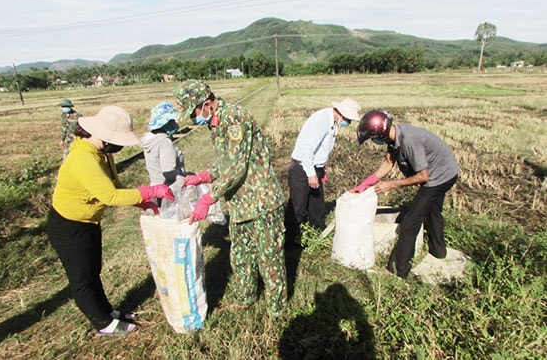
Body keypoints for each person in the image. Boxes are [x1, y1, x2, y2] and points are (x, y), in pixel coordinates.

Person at [46, 105, 175, 336]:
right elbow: (110, 197)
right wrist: (148, 191)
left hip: (88, 223)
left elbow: (115, 186)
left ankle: (108, 312)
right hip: (69, 226)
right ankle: (102, 323)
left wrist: (141, 201)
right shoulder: (83, 158)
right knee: (83, 279)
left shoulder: (102, 154)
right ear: (101, 134)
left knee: (93, 271)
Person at [173, 79, 287, 318]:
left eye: (193, 113)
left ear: (206, 105)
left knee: (269, 257)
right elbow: (226, 162)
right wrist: (205, 176)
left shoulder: (234, 118)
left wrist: (209, 198)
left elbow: (236, 168)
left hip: (261, 201)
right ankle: (246, 298)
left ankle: (277, 310)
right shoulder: (215, 123)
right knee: (241, 255)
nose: (193, 120)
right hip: (240, 204)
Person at [351, 109, 460, 278]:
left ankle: (397, 269)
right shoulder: (395, 136)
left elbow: (423, 177)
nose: (374, 141)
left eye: (373, 138)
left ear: (380, 132)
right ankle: (438, 251)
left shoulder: (409, 141)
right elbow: (389, 162)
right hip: (439, 173)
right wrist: (365, 184)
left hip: (440, 176)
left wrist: (392, 184)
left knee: (411, 221)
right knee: (432, 210)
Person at [284, 98, 361, 248]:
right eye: (349, 119)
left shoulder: (332, 122)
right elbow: (307, 148)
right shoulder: (321, 120)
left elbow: (321, 149)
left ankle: (317, 237)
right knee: (297, 208)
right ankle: (287, 243)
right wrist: (311, 174)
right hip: (302, 169)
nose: (349, 123)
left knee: (317, 206)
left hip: (314, 168)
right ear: (342, 114)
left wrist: (321, 169)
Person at [140, 101, 186, 189]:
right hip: (168, 189)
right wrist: (184, 179)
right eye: (171, 121)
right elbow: (169, 172)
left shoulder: (149, 139)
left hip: (155, 187)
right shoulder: (164, 143)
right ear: (165, 123)